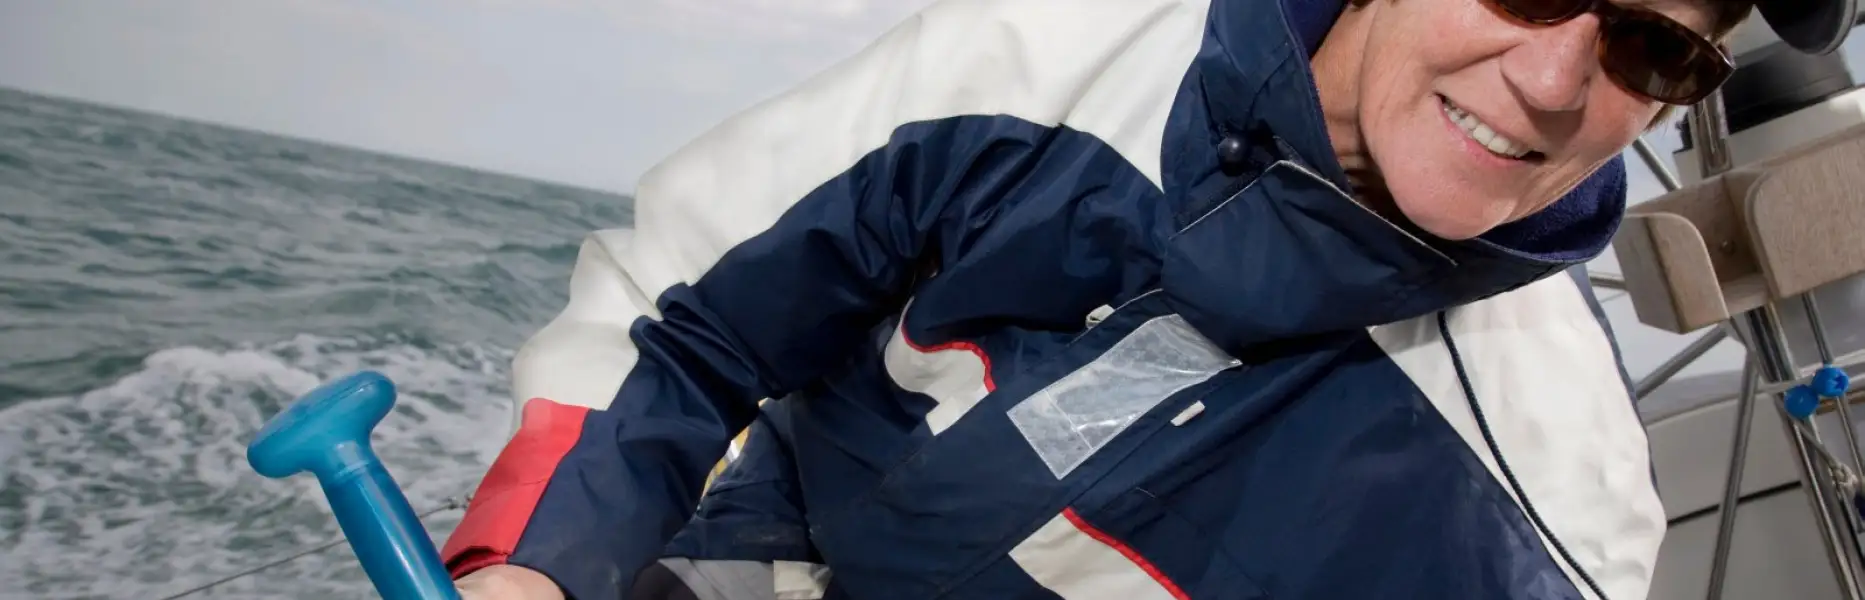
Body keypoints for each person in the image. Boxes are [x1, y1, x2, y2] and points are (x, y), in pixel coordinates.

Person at [438, 0, 1854, 598]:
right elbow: (693, 327)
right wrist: (540, 564)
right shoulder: (1054, 54)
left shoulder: (1558, 509)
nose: (1554, 81)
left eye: (1654, 46)